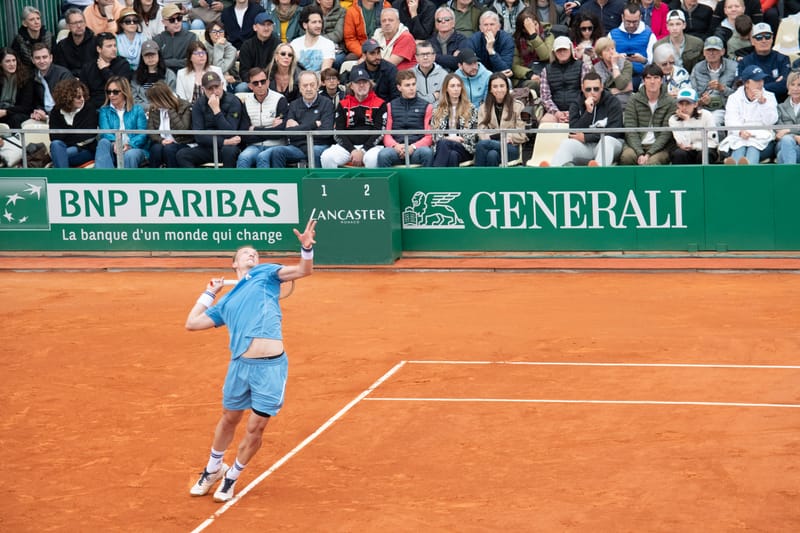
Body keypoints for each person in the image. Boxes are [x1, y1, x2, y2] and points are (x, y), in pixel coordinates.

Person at [185, 221, 317, 504]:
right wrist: (209, 293)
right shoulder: (226, 302)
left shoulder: (265, 274)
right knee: (229, 419)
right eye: (246, 253)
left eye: (255, 253)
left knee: (256, 427)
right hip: (240, 367)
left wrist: (306, 248)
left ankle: (232, 475)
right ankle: (212, 469)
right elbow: (192, 323)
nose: (252, 256)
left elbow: (304, 270)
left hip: (270, 368)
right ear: (234, 263)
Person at [257, 70, 334, 168]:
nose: (309, 89)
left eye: (312, 85)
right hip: (297, 147)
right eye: (305, 85)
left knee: (314, 151)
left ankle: (316, 182)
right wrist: (313, 125)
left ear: (318, 86)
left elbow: (325, 132)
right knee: (278, 152)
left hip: (318, 146)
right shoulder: (294, 105)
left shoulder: (327, 103)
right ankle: (282, 183)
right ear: (300, 88)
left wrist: (299, 129)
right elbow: (290, 133)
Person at [550, 71, 625, 166]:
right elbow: (573, 132)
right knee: (566, 144)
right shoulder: (576, 103)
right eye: (588, 89)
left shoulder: (613, 102)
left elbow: (614, 131)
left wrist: (587, 137)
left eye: (596, 89)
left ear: (602, 87)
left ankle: (597, 177)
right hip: (586, 146)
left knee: (606, 140)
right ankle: (554, 174)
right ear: (582, 89)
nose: (592, 92)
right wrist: (588, 113)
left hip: (611, 145)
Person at [320, 65, 387, 168]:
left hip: (372, 147)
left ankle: (372, 184)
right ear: (351, 86)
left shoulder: (380, 104)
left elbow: (380, 131)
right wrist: (352, 150)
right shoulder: (343, 104)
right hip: (348, 147)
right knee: (327, 157)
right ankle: (332, 184)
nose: (362, 85)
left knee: (371, 158)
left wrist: (363, 150)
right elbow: (338, 132)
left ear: (370, 84)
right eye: (357, 83)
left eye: (365, 82)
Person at [177, 71, 246, 168]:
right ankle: (199, 182)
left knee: (229, 151)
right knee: (182, 154)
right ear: (203, 89)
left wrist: (217, 111)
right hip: (210, 147)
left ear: (222, 85)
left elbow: (231, 132)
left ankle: (228, 182)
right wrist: (224, 141)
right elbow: (199, 136)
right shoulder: (198, 104)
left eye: (217, 87)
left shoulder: (233, 101)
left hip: (228, 148)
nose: (214, 91)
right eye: (210, 88)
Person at [718, 64, 778, 164]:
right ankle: (740, 170)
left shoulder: (770, 96)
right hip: (739, 137)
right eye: (756, 81)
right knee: (740, 147)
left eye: (762, 80)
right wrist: (740, 132)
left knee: (752, 147)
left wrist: (763, 104)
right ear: (746, 83)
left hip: (763, 140)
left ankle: (740, 172)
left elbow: (771, 121)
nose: (760, 83)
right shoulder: (734, 98)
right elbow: (730, 120)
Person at [619, 63, 677, 165]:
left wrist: (649, 154)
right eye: (649, 78)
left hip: (661, 148)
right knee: (627, 156)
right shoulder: (634, 99)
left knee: (652, 162)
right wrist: (640, 153)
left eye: (656, 77)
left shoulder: (670, 102)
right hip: (636, 145)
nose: (652, 81)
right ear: (643, 80)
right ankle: (627, 182)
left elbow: (665, 133)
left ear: (661, 80)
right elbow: (630, 129)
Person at [376, 69, 434, 167]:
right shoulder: (390, 106)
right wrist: (396, 146)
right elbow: (387, 134)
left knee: (427, 152)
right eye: (407, 85)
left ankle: (426, 182)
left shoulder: (427, 106)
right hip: (397, 149)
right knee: (383, 155)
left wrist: (413, 147)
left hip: (417, 149)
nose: (411, 88)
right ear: (399, 87)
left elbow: (429, 136)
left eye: (413, 84)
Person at [236, 67, 290, 168]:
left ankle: (267, 184)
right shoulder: (246, 102)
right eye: (256, 83)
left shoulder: (280, 99)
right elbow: (244, 134)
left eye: (263, 81)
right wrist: (270, 130)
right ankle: (243, 184)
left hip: (276, 145)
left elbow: (280, 132)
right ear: (250, 86)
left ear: (268, 82)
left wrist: (255, 129)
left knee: (262, 157)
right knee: (243, 158)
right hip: (254, 146)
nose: (260, 85)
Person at [95, 76, 149, 168]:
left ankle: (126, 182)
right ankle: (104, 180)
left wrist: (129, 145)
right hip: (113, 147)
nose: (111, 95)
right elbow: (105, 132)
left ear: (124, 92)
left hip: (134, 148)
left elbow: (142, 134)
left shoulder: (137, 109)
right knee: (103, 142)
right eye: (109, 92)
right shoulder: (104, 110)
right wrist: (115, 143)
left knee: (130, 154)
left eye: (115, 92)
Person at [475, 72, 528, 167]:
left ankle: (476, 179)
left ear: (507, 88)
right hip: (491, 147)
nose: (499, 89)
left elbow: (522, 134)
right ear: (490, 89)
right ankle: (493, 181)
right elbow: (481, 131)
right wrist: (499, 136)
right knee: (492, 155)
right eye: (495, 86)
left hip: (511, 147)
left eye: (502, 86)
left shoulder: (518, 106)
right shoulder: (483, 108)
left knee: (481, 145)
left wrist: (509, 137)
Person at [429, 73, 478, 166]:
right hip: (444, 148)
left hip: (465, 148)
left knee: (444, 143)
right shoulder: (437, 109)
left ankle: (435, 176)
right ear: (446, 89)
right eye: (452, 86)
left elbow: (473, 136)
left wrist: (452, 140)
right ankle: (452, 180)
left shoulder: (471, 109)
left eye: (458, 86)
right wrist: (450, 138)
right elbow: (434, 136)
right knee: (452, 155)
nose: (456, 89)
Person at [48, 79, 98, 168]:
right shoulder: (56, 111)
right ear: (68, 98)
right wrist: (75, 137)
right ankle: (65, 178)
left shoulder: (89, 108)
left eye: (83, 96)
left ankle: (62, 178)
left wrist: (66, 136)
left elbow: (89, 136)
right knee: (56, 145)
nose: (82, 99)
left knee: (62, 153)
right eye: (78, 97)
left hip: (85, 150)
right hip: (63, 148)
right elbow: (54, 137)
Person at [737, 22, 790, 102]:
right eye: (759, 37)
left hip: (778, 105)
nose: (764, 40)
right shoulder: (745, 62)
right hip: (752, 105)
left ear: (772, 39)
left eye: (767, 37)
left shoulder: (783, 59)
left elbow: (785, 85)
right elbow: (741, 87)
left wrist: (755, 87)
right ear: (752, 41)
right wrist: (774, 84)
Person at [540, 36, 588, 124]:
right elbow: (545, 97)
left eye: (565, 49)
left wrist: (574, 111)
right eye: (559, 50)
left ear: (571, 50)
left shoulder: (582, 66)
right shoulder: (546, 70)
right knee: (545, 122)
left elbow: (586, 92)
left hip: (579, 109)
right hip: (555, 111)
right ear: (554, 52)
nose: (562, 53)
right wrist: (557, 113)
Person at [690, 35, 736, 126]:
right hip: (702, 108)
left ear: (722, 51)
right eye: (708, 50)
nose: (711, 53)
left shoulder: (733, 67)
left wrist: (723, 88)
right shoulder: (697, 68)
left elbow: (739, 94)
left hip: (725, 108)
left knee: (713, 121)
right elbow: (692, 93)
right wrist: (700, 101)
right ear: (703, 52)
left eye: (715, 50)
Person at [609, 3, 656, 91]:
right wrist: (618, 58)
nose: (631, 25)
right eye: (628, 21)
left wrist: (643, 60)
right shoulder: (612, 34)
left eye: (635, 22)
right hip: (618, 74)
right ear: (622, 18)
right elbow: (607, 59)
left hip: (642, 76)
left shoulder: (649, 35)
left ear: (640, 18)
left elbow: (654, 62)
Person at [146, 81, 193, 168]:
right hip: (162, 142)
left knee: (169, 149)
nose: (152, 103)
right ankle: (152, 179)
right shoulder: (154, 108)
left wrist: (170, 110)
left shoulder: (184, 105)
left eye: (154, 100)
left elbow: (183, 130)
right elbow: (151, 131)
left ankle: (173, 179)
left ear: (162, 99)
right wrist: (161, 140)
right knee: (156, 149)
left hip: (181, 142)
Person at [81, 32, 133, 110]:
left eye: (115, 45)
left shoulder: (123, 64)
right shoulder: (88, 67)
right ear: (99, 49)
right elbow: (84, 92)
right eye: (109, 46)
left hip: (117, 105)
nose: (114, 49)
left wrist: (104, 70)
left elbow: (121, 87)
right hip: (93, 107)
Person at [669, 86, 719, 163]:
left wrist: (694, 146)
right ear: (677, 105)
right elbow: (684, 144)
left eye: (688, 104)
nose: (684, 107)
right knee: (679, 154)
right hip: (688, 150)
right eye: (681, 104)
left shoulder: (706, 115)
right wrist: (687, 120)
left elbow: (713, 142)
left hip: (705, 148)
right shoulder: (673, 119)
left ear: (695, 104)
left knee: (704, 154)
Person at [511, 8, 554, 92]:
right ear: (523, 29)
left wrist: (534, 36)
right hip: (525, 77)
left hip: (546, 72)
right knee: (535, 85)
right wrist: (529, 74)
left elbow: (546, 56)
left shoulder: (548, 34)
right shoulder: (515, 40)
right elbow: (514, 66)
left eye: (535, 24)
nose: (534, 28)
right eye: (529, 26)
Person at [30, 44, 74, 123]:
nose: (42, 61)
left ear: (51, 58)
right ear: (32, 60)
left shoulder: (63, 74)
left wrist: (48, 116)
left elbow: (68, 103)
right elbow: (35, 101)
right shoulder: (32, 77)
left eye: (45, 57)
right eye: (37, 58)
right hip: (44, 115)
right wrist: (39, 111)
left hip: (64, 115)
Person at [237, 12, 280, 92]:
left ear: (273, 27)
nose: (266, 28)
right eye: (263, 25)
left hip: (271, 81)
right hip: (252, 82)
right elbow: (244, 71)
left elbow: (277, 69)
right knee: (241, 88)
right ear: (255, 27)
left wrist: (265, 82)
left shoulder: (278, 45)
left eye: (269, 25)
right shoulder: (247, 45)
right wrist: (256, 82)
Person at [131, 39, 178, 106]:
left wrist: (157, 107)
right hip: (142, 112)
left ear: (158, 55)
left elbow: (172, 96)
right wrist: (150, 107)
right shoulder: (136, 76)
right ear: (142, 57)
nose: (150, 58)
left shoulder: (169, 75)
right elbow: (134, 99)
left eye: (153, 54)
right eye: (147, 55)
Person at [154, 4, 199, 73]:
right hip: (165, 75)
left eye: (179, 18)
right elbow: (156, 62)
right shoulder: (157, 39)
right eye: (172, 20)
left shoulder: (191, 37)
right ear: (164, 22)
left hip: (186, 73)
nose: (176, 22)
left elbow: (192, 60)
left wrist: (167, 62)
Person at [290, 5, 336, 72]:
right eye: (314, 22)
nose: (318, 26)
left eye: (320, 22)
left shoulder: (328, 44)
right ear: (305, 25)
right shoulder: (295, 44)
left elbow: (324, 73)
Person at [591, 36, 633, 107]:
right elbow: (596, 91)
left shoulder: (626, 64)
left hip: (624, 104)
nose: (611, 52)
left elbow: (621, 85)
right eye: (607, 50)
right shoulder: (595, 68)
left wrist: (614, 65)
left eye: (613, 48)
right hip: (604, 104)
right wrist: (612, 91)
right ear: (601, 55)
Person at [55, 9, 98, 78]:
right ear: (67, 26)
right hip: (70, 81)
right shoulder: (62, 45)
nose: (79, 26)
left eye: (81, 22)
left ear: (85, 23)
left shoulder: (96, 42)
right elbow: (61, 70)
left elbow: (97, 68)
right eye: (74, 23)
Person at [469, 11, 515, 75]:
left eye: (492, 24)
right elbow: (472, 67)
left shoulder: (506, 39)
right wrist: (490, 76)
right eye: (485, 25)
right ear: (481, 28)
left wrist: (491, 51)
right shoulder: (474, 40)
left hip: (501, 79)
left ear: (498, 27)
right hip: (480, 77)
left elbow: (506, 69)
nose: (489, 28)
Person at [0, 48, 36, 129]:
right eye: (7, 61)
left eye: (14, 60)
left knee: (15, 119)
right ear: (1, 63)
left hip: (18, 113)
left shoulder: (26, 78)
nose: (12, 64)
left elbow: (26, 107)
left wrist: (6, 111)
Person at [428, 6, 468, 72]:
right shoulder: (430, 42)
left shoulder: (462, 40)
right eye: (439, 20)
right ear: (435, 24)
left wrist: (434, 57)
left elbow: (460, 62)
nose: (443, 22)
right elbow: (428, 64)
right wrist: (451, 58)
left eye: (446, 19)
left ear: (453, 23)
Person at [205, 21, 240, 89]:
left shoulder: (232, 50)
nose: (218, 35)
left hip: (230, 83)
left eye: (221, 31)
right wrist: (223, 76)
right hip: (208, 80)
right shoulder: (204, 47)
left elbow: (220, 68)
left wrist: (218, 47)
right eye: (214, 32)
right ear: (209, 34)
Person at [775, 71, 800, 165]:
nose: (795, 88)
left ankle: (787, 179)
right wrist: (795, 136)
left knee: (782, 155)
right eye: (792, 84)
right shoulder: (780, 107)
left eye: (799, 85)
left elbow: (784, 131)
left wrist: (788, 130)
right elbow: (779, 131)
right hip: (782, 143)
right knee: (786, 140)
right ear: (788, 86)